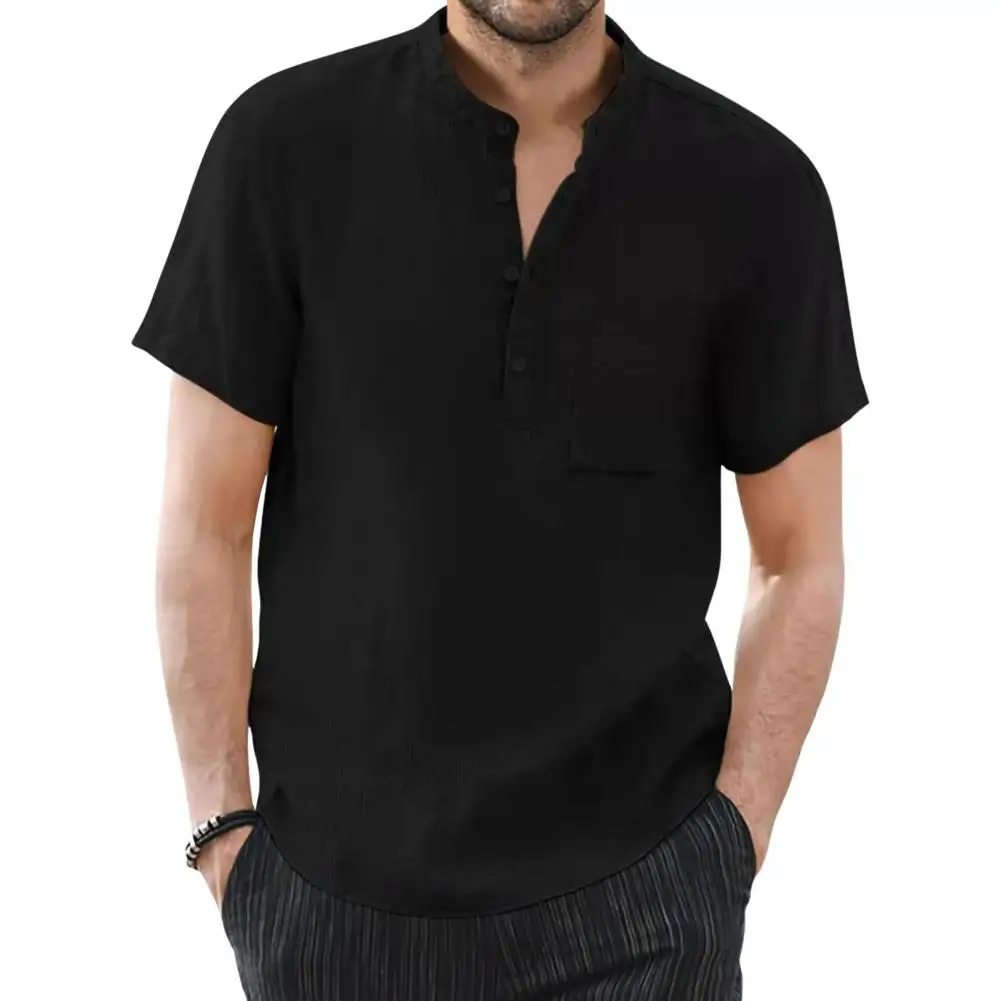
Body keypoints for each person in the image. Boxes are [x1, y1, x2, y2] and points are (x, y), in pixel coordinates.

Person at [132, 2, 868, 998]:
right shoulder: (280, 147)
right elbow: (204, 524)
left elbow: (798, 555)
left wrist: (734, 835)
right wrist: (223, 833)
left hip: (646, 908)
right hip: (330, 907)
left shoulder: (755, 188)